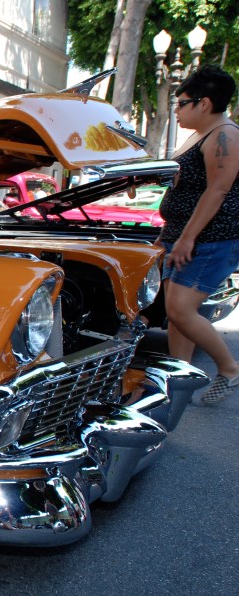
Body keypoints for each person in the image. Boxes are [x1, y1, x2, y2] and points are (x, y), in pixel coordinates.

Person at [156, 65, 239, 405]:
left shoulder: (225, 135)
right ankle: (180, 383)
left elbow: (218, 190)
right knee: (177, 317)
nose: (176, 111)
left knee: (180, 310)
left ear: (204, 103)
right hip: (182, 235)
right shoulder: (200, 135)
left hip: (210, 238)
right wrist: (169, 233)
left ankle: (230, 369)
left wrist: (187, 238)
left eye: (181, 103)